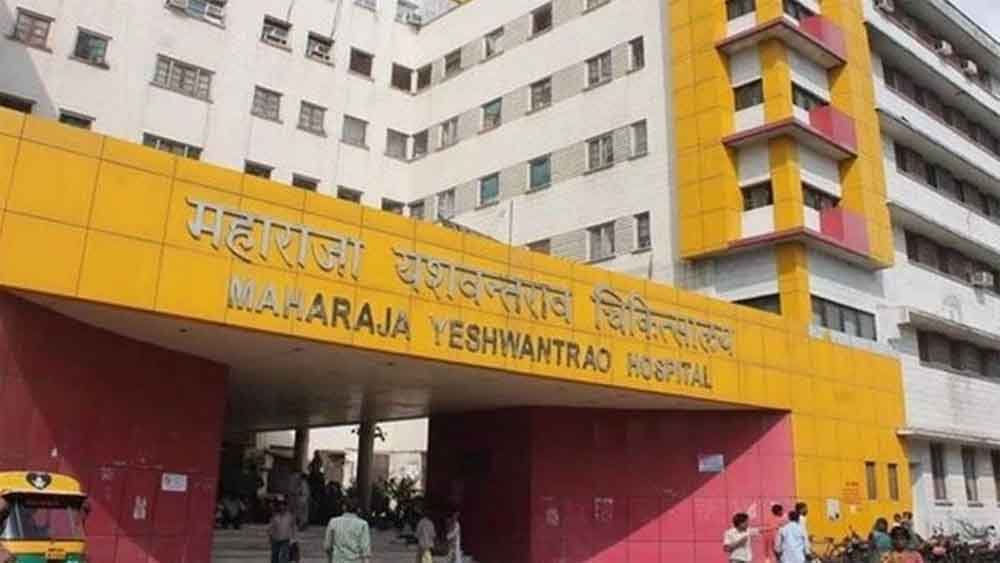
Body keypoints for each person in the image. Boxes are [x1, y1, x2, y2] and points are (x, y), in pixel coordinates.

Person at [323, 496, 372, 563]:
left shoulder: (333, 522)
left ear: (343, 507)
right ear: (358, 509)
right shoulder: (363, 524)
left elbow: (328, 546)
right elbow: (365, 549)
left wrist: (330, 559)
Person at [268, 498, 297, 563]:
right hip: (275, 539)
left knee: (284, 556)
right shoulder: (275, 516)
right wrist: (270, 536)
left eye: (283, 505)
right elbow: (271, 527)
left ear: (286, 506)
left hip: (285, 539)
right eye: (280, 505)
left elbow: (293, 527)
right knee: (274, 556)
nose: (282, 507)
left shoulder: (290, 516)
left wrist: (294, 538)